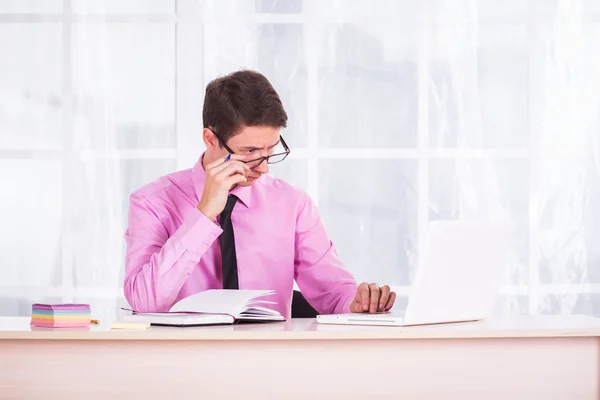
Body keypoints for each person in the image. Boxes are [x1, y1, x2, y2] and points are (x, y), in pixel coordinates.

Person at [124, 70, 396, 319]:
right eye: (250, 152)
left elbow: (333, 293)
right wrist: (204, 214)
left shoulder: (293, 204)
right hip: (182, 362)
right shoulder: (152, 203)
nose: (264, 167)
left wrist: (360, 301)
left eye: (270, 151)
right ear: (210, 139)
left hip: (270, 359)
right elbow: (144, 301)